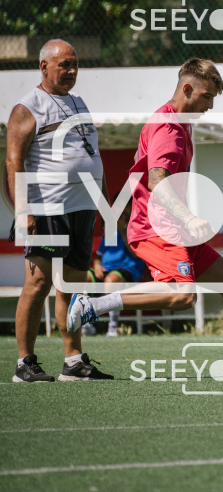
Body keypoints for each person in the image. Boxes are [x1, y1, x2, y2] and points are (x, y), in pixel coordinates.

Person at [67, 58, 223, 392]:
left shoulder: (180, 123)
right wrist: (188, 217)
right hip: (157, 228)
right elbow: (158, 180)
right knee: (184, 295)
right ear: (187, 89)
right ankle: (95, 304)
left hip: (174, 228)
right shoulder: (168, 126)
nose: (210, 105)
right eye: (206, 96)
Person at [6, 39, 113, 382]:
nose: (71, 70)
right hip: (47, 206)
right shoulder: (28, 106)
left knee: (73, 286)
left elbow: (93, 158)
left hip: (83, 208)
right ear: (44, 67)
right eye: (64, 64)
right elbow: (13, 161)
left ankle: (73, 362)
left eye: (74, 64)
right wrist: (24, 211)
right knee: (38, 284)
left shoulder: (79, 103)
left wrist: (106, 206)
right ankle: (25, 364)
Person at [84, 195, 145, 337]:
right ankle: (87, 323)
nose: (122, 210)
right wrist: (97, 266)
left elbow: (137, 254)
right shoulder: (111, 228)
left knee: (111, 280)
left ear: (133, 207)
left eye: (126, 206)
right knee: (83, 278)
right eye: (119, 206)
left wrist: (123, 230)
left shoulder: (138, 227)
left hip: (128, 270)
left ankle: (113, 326)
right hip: (106, 269)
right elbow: (99, 257)